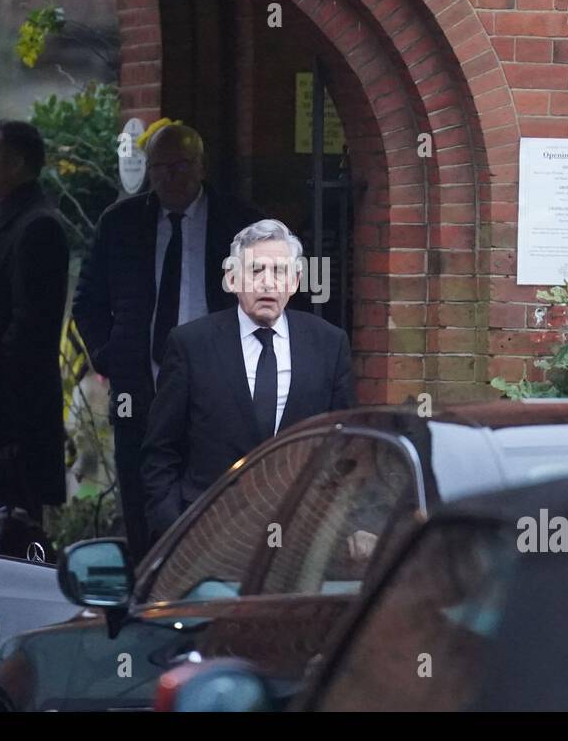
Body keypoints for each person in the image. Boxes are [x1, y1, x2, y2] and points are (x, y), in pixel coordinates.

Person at [72, 119, 261, 562]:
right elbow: (88, 303)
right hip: (140, 389)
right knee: (142, 504)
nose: (168, 177)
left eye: (180, 166)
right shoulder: (122, 223)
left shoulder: (243, 224)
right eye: (158, 168)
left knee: (215, 502)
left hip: (219, 387)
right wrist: (110, 357)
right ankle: (147, 590)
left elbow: (275, 303)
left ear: (201, 166)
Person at [140, 219, 356, 540]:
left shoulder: (328, 344)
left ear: (295, 281)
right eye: (256, 271)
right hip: (208, 535)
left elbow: (344, 447)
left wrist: (344, 527)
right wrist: (173, 528)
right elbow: (160, 449)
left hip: (301, 534)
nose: (268, 283)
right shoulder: (191, 344)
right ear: (231, 278)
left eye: (279, 271)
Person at [0, 119, 69, 522]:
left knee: (16, 526)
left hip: (16, 412)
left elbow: (29, 329)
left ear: (14, 164)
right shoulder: (2, 218)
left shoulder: (37, 226)